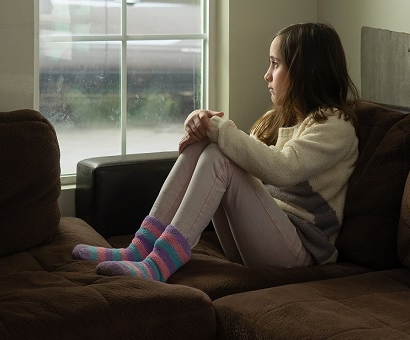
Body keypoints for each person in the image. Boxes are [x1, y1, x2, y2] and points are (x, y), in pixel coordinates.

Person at [72, 22, 360, 282]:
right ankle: (139, 248)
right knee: (210, 146)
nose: (266, 75)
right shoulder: (276, 119)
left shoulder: (335, 126)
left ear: (303, 72)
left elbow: (282, 169)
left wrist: (218, 129)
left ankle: (159, 265)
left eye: (275, 64)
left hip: (301, 253)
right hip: (262, 239)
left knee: (219, 153)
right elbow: (244, 161)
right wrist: (200, 123)